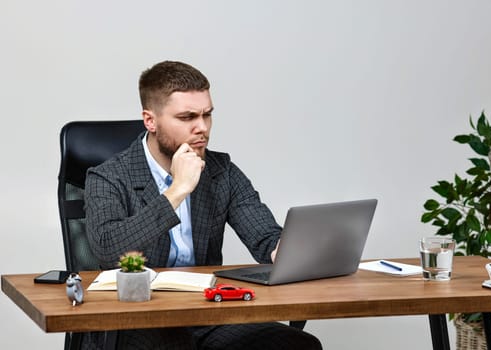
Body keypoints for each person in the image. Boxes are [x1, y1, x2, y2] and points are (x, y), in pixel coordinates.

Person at [84, 60, 322, 350]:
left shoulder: (221, 171)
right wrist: (177, 190)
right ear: (150, 120)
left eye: (207, 115)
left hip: (207, 312)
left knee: (297, 346)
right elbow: (109, 250)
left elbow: (265, 236)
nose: (202, 128)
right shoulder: (108, 177)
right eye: (187, 117)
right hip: (137, 318)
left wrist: (283, 250)